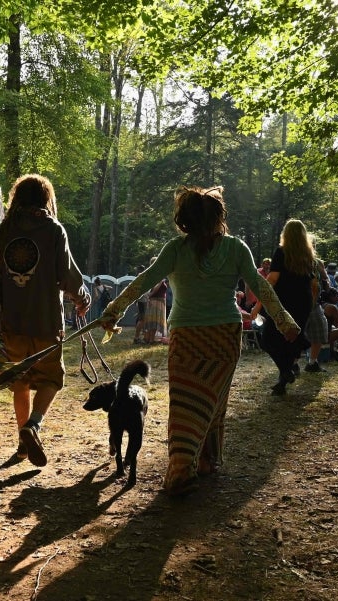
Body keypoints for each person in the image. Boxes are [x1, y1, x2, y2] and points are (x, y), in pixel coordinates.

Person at [99, 186, 299, 496]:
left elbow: (143, 281)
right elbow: (261, 286)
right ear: (219, 217)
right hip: (224, 337)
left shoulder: (175, 249)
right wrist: (284, 321)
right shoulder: (236, 248)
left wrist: (113, 311)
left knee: (186, 402)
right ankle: (203, 460)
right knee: (212, 401)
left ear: (184, 220)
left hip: (187, 336)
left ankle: (182, 466)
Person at [0, 174, 91, 467]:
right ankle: (34, 425)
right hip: (46, 321)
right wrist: (82, 298)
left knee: (20, 380)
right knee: (52, 379)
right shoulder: (53, 230)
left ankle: (22, 445)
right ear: (45, 199)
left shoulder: (3, 231)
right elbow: (67, 275)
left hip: (12, 323)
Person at [253, 219, 320, 396]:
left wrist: (260, 301)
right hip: (303, 302)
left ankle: (285, 372)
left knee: (267, 338)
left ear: (286, 234)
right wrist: (311, 303)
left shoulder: (282, 252)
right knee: (292, 339)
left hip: (284, 302)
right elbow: (314, 284)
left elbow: (273, 279)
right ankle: (283, 380)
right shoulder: (308, 256)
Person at [143, 276, 169, 343]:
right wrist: (150, 295)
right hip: (156, 302)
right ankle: (150, 340)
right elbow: (155, 289)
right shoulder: (158, 279)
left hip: (158, 301)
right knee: (154, 321)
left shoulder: (160, 279)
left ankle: (149, 339)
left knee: (153, 320)